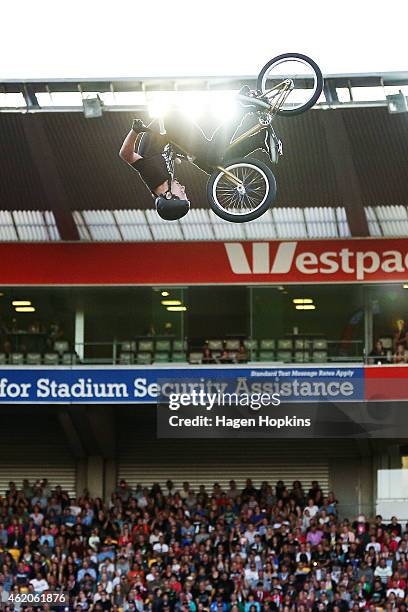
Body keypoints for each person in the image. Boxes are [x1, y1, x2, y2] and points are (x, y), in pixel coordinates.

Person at [119, 89, 274, 220]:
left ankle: (240, 107)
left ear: (169, 196)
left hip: (170, 125)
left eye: (182, 194)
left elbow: (126, 155)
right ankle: (261, 140)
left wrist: (135, 131)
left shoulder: (153, 176)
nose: (184, 188)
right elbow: (162, 154)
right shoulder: (165, 180)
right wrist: (178, 157)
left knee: (212, 155)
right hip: (173, 139)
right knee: (214, 167)